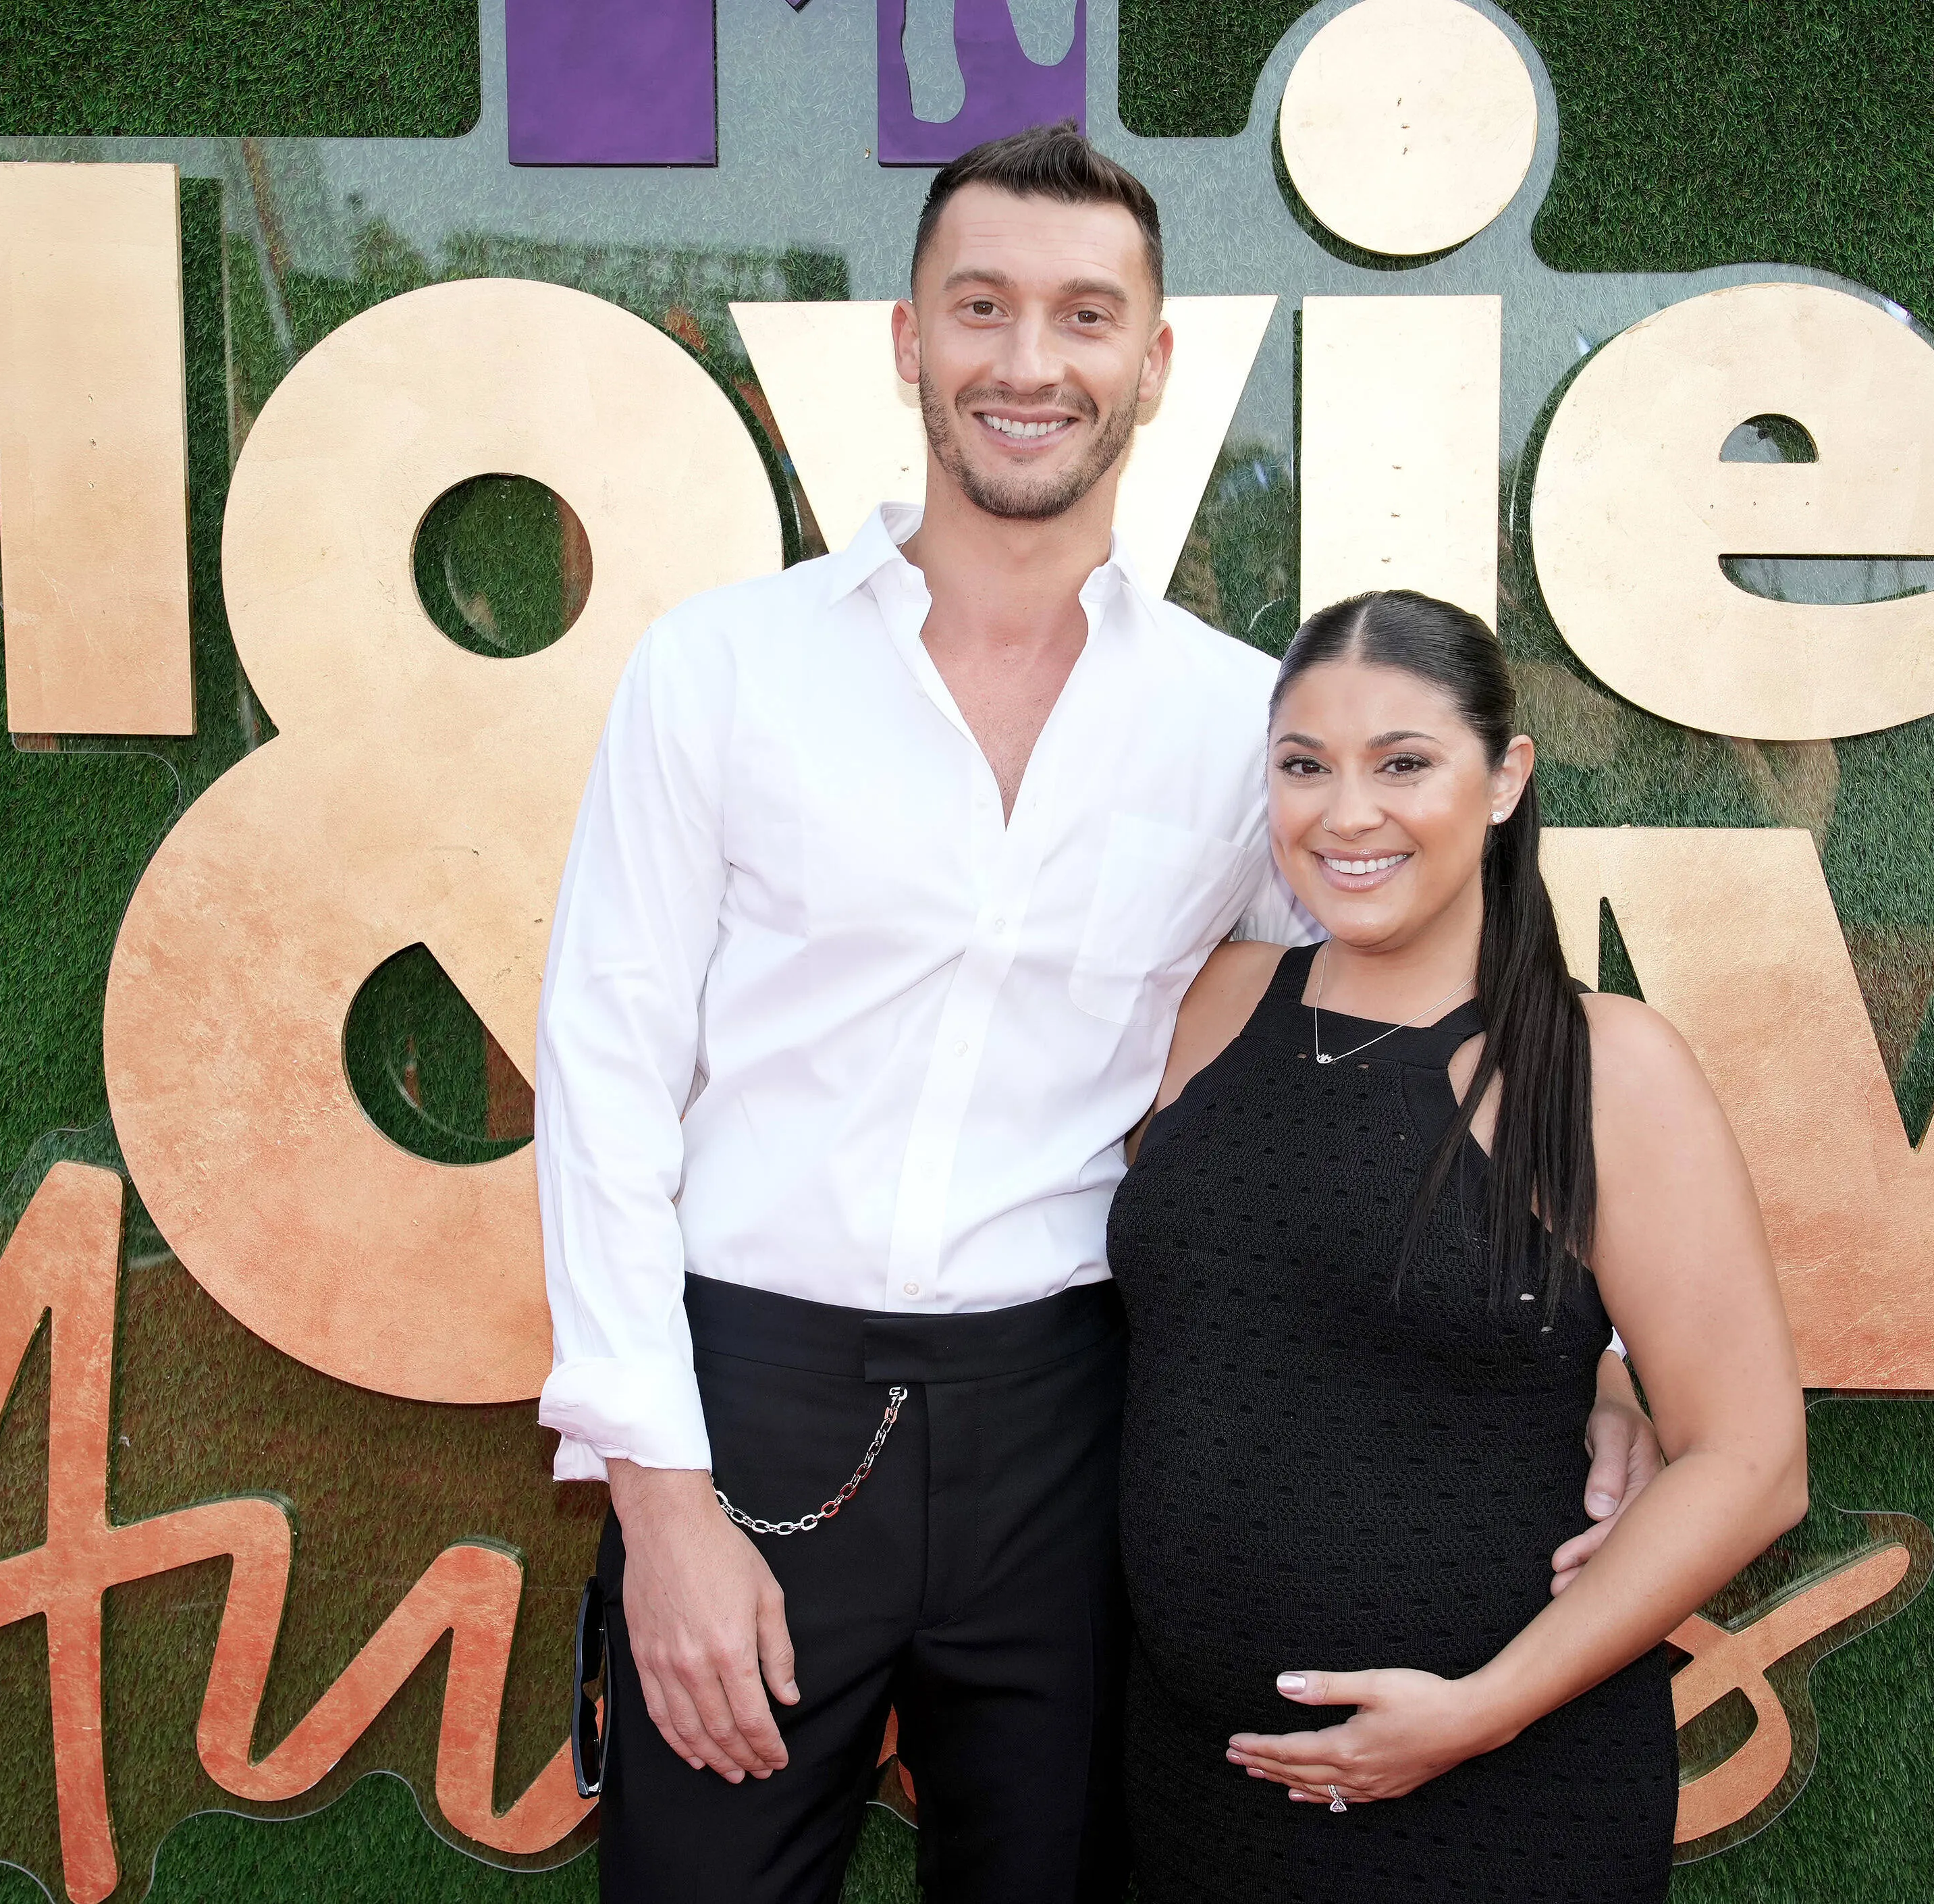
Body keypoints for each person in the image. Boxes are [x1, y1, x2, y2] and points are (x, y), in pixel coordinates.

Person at [531, 126, 1659, 1904]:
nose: (1028, 362)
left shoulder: (1241, 726)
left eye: (1082, 315)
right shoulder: (721, 667)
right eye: (980, 307)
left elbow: (1376, 1046)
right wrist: (656, 1498)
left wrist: (1582, 1350)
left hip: (1078, 1419)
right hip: (750, 1399)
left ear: (1153, 360)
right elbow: (602, 1077)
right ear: (907, 340)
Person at [1109, 587, 1810, 1902]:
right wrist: (1596, 1368)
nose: (1347, 814)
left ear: (1505, 779)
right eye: (1306, 767)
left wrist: (1481, 1712)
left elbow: (1755, 1463)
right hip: (1191, 1788)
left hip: (1500, 1800)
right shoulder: (1209, 1003)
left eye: (1403, 764)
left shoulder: (1602, 1065)